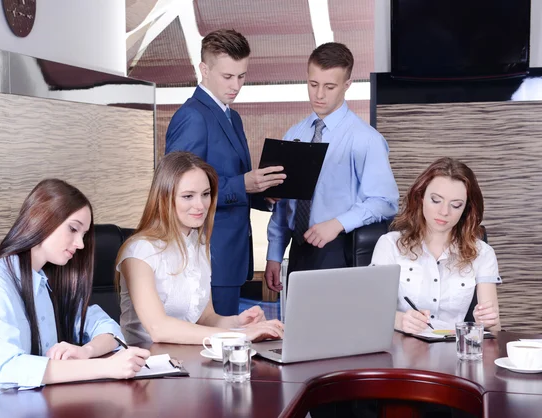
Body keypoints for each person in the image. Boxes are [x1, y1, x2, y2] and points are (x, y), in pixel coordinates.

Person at [0, 179, 150, 416]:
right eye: (73, 229)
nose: (80, 244)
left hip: (35, 405)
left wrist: (87, 351)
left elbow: (109, 329)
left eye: (83, 234)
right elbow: (8, 369)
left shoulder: (50, 281)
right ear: (41, 219)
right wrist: (104, 367)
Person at [165, 29, 286, 315]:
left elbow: (229, 178)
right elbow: (177, 189)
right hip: (205, 254)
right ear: (204, 70)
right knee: (212, 346)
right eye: (227, 76)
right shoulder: (193, 116)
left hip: (229, 255)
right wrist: (244, 184)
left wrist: (263, 195)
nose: (236, 85)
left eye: (242, 76)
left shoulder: (233, 116)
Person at [265, 42, 399, 292]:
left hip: (340, 250)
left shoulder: (365, 139)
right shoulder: (295, 133)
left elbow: (385, 201)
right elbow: (284, 204)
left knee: (339, 330)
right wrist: (274, 253)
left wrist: (337, 223)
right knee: (301, 329)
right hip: (298, 251)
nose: (319, 95)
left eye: (329, 87)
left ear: (347, 85)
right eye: (313, 84)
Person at [116, 151, 284, 345]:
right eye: (188, 196)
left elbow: (205, 318)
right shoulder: (140, 250)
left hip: (188, 359)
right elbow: (158, 328)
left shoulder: (199, 242)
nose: (200, 205)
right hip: (146, 364)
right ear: (164, 198)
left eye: (205, 194)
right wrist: (239, 336)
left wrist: (240, 323)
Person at [371, 157, 501, 333]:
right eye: (436, 200)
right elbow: (372, 312)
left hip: (452, 351)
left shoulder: (482, 253)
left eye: (456, 205)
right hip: (402, 350)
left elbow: (495, 329)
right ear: (421, 197)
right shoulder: (390, 245)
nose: (444, 212)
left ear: (466, 209)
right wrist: (399, 320)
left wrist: (485, 322)